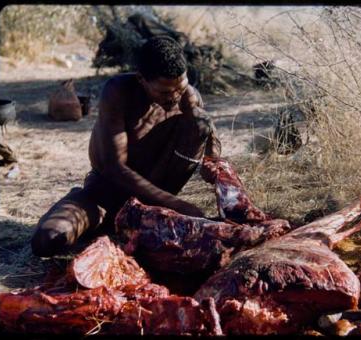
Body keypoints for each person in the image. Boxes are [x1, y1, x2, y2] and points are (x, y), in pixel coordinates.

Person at [31, 36, 221, 257]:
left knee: (199, 120)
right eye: (165, 92)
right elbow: (115, 167)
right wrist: (178, 206)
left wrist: (213, 160)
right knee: (47, 240)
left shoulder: (187, 96)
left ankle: (142, 220)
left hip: (156, 198)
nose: (175, 97)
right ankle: (103, 219)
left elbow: (210, 133)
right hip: (106, 195)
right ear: (142, 79)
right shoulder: (119, 92)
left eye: (180, 88)